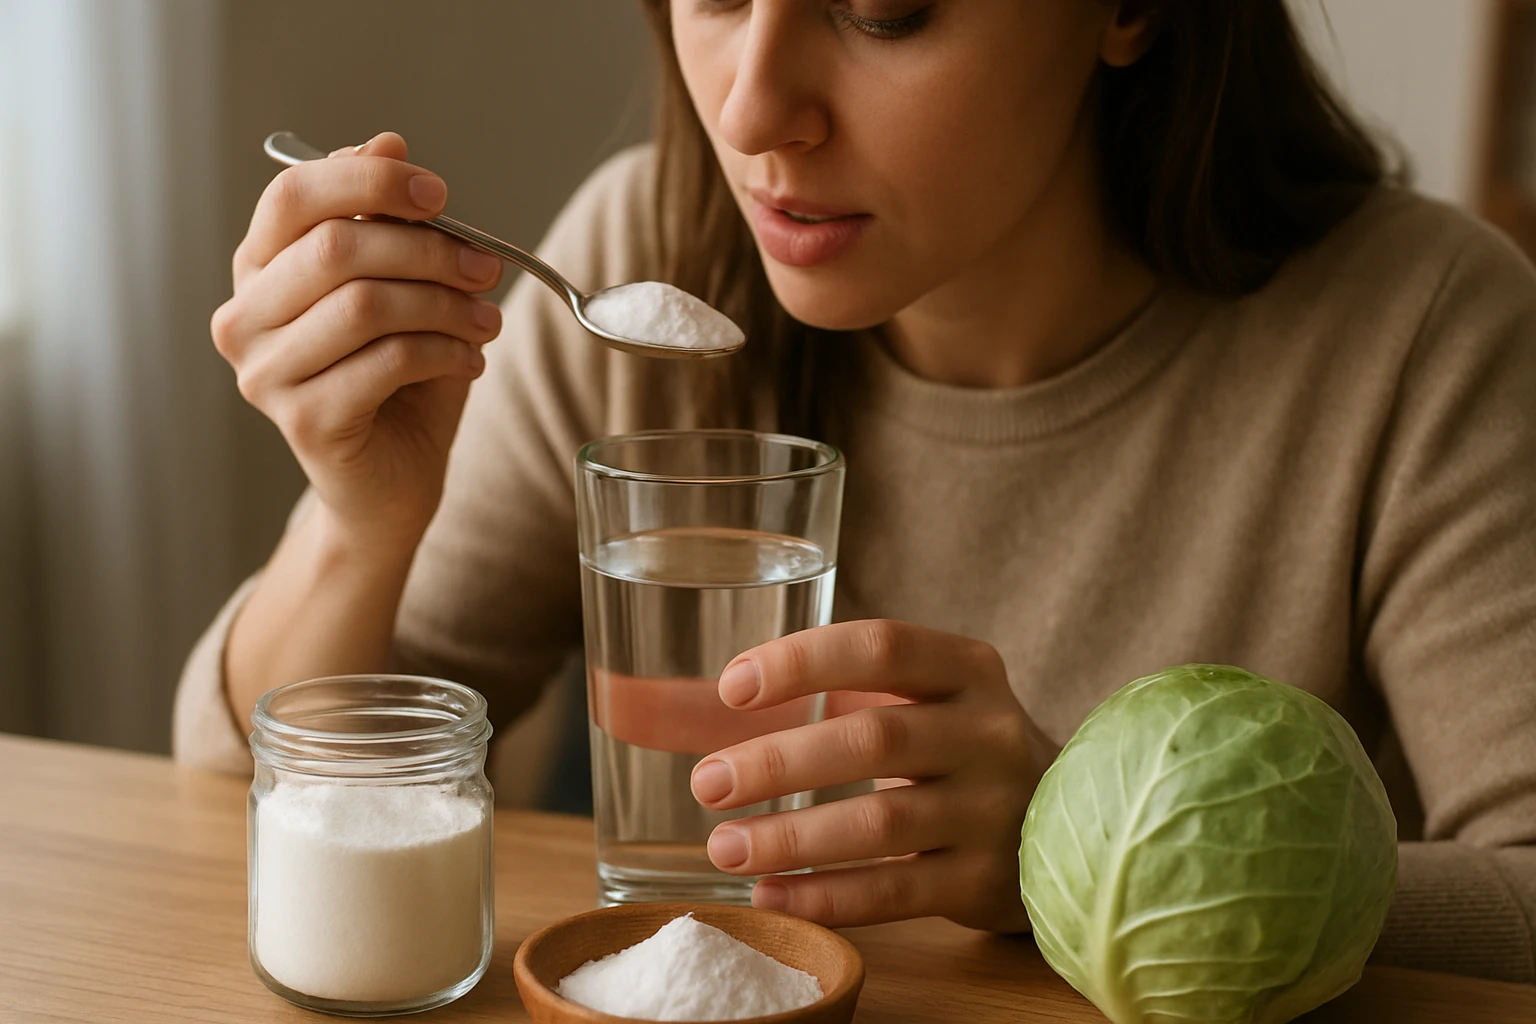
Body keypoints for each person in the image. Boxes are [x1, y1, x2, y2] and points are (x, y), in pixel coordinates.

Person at [174, 0, 1536, 982]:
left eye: (883, 12)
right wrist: (359, 523)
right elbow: (249, 782)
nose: (754, 109)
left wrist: (1069, 846)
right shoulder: (644, 257)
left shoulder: (1425, 336)